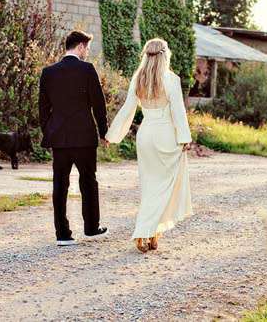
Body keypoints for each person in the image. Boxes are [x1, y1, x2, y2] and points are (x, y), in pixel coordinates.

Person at [106, 38, 193, 253]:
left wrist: (113, 134)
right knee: (164, 188)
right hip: (166, 137)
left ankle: (153, 232)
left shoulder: (139, 78)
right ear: (165, 55)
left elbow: (127, 110)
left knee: (150, 188)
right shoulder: (171, 79)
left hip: (145, 136)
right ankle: (144, 231)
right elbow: (178, 112)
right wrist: (184, 138)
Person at [38, 30, 109, 246]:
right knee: (88, 182)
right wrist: (103, 132)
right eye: (86, 48)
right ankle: (91, 227)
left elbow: (43, 108)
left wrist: (49, 131)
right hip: (84, 137)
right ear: (80, 46)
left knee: (60, 185)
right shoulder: (87, 69)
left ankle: (62, 234)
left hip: (59, 138)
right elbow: (98, 104)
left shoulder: (48, 72)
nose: (87, 52)